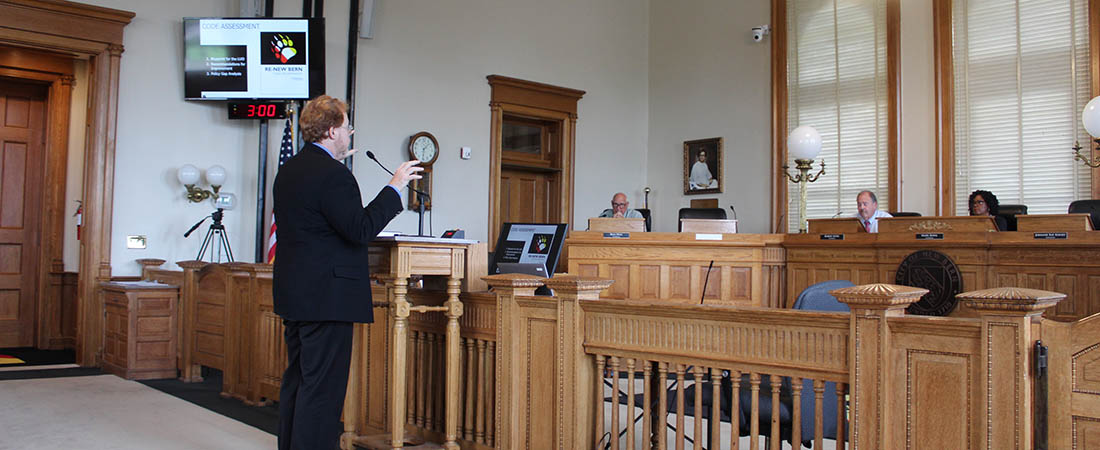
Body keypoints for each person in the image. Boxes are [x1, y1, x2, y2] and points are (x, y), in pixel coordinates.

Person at [272, 95, 422, 450]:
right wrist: (394, 187)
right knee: (322, 391)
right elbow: (359, 230)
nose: (350, 132)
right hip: (328, 298)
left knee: (298, 380)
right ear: (330, 130)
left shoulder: (289, 170)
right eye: (345, 126)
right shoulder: (334, 176)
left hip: (295, 294)